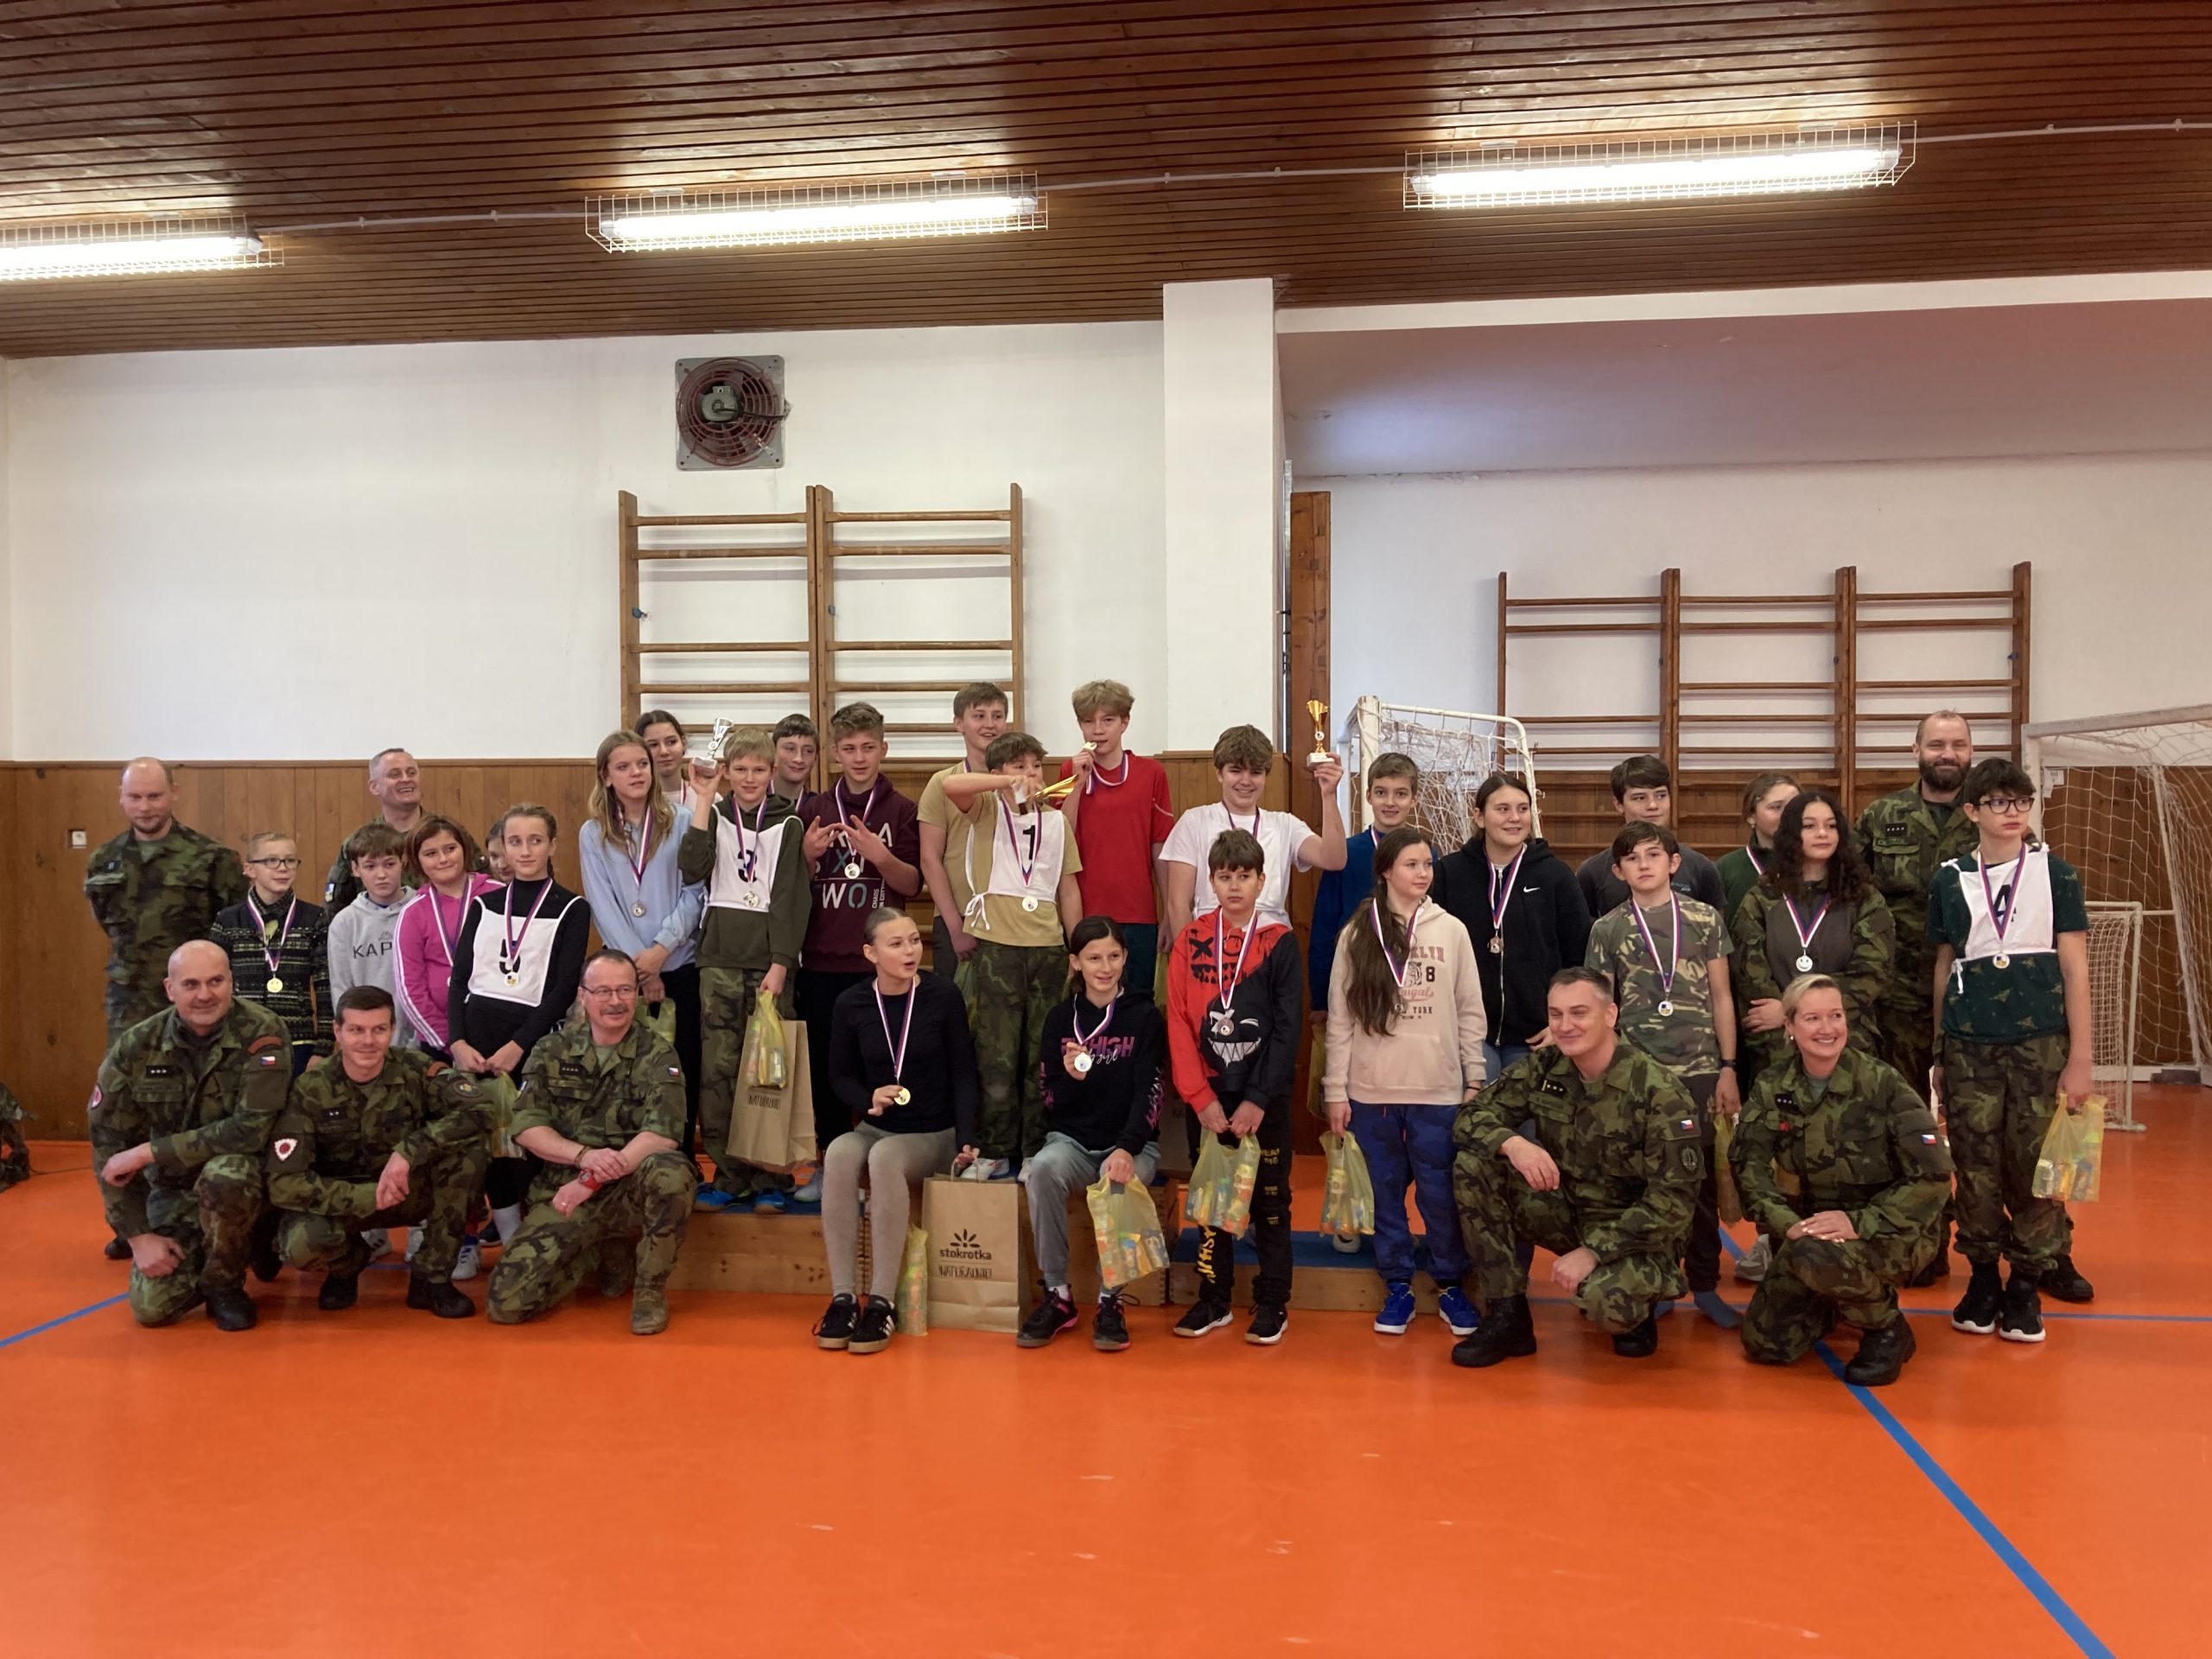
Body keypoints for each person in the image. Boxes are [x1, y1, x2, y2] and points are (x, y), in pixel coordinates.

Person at [1448, 968, 1703, 1369]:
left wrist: (1594, 1252)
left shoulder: (1659, 1092)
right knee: (1474, 1164)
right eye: (1556, 1014)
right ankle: (1508, 1316)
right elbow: (1469, 1118)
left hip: (1635, 1232)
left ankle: (1639, 1310)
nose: (1565, 1026)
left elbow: (1673, 1205)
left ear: (1610, 1014)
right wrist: (1514, 1144)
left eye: (1579, 1013)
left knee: (1607, 1304)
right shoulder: (1546, 1067)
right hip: (1568, 1209)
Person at [1930, 759, 2097, 1344]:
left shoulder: (2057, 875)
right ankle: (1982, 1279)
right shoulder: (1950, 879)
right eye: (1998, 802)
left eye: (2021, 802)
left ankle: (2026, 1283)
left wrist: (2081, 1058)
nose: (2012, 812)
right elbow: (1945, 966)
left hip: (2041, 1046)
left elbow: (2075, 969)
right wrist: (1940, 1050)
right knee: (1974, 1168)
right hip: (1970, 1047)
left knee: (2041, 1168)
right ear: (1972, 811)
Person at [1732, 976, 1951, 1387]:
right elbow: (1748, 1165)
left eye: (1835, 1016)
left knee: (1816, 1255)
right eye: (1812, 1018)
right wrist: (1786, 1224)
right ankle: (1836, 1299)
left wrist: (1860, 1222)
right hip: (1810, 1234)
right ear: (1790, 1026)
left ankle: (1887, 1328)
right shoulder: (1773, 1086)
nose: (1827, 1028)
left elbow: (1934, 1175)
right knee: (1766, 1343)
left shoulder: (1882, 1083)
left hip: (1888, 1232)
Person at [1321, 827, 1486, 1338]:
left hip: (1438, 1089)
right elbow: (1340, 1019)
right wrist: (1334, 1089)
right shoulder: (1357, 933)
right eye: (1412, 864)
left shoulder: (1451, 930)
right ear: (1387, 871)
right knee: (1386, 1195)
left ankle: (1451, 1284)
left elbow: (1469, 1009)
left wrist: (1475, 1076)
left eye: (1428, 864)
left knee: (1440, 1195)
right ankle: (1397, 1285)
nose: (1423, 873)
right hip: (1372, 1092)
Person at [486, 950, 698, 1336]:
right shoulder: (551, 1050)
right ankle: (598, 1253)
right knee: (507, 1303)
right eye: (603, 991)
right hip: (565, 1193)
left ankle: (649, 1292)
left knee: (672, 1173)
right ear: (583, 996)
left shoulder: (658, 1053)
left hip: (627, 1191)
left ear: (637, 994)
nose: (615, 1001)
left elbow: (662, 1134)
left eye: (624, 990)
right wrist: (582, 1156)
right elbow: (526, 1126)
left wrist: (592, 1178)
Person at [85, 760, 247, 1258]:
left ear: (173, 794)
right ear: (121, 797)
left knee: (199, 1102)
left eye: (154, 796)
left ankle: (200, 1212)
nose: (145, 807)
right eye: (135, 797)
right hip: (131, 1001)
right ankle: (130, 1223)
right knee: (124, 1109)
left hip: (198, 1002)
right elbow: (107, 922)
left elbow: (230, 927)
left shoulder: (210, 857)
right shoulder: (105, 860)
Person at [1585, 821, 1742, 1328]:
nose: (1644, 865)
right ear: (1618, 870)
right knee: (1644, 1181)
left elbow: (1722, 996)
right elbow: (1602, 1008)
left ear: (1674, 863)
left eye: (1654, 855)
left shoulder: (1704, 919)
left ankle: (1705, 1283)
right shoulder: (1607, 928)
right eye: (1632, 858)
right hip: (1638, 1076)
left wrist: (1728, 1068)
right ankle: (1656, 1280)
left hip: (1698, 1070)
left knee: (1700, 1183)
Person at [90, 941, 289, 1331]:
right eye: (191, 984)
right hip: (176, 1189)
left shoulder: (263, 1031)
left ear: (231, 982)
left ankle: (226, 1284)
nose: (204, 995)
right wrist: (138, 1237)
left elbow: (251, 1130)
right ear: (170, 989)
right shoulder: (138, 1046)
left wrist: (149, 1152)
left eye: (216, 982)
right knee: (152, 1308)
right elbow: (107, 1144)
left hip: (247, 1181)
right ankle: (241, 1244)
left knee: (227, 1175)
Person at [265, 986, 493, 1319]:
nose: (368, 1041)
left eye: (379, 1030)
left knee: (468, 1153)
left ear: (392, 1029)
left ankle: (432, 1277)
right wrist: (367, 1196)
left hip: (408, 1190)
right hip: (346, 1201)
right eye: (357, 1030)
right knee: (301, 1244)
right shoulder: (310, 1089)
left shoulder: (416, 1069)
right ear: (338, 1032)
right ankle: (347, 1264)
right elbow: (284, 1183)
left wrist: (409, 1152)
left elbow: (481, 1108)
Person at [813, 909, 980, 1357]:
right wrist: (867, 1096)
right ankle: (843, 1299)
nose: (910, 951)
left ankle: (882, 1303)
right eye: (896, 944)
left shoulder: (942, 995)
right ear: (871, 953)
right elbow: (838, 1076)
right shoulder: (851, 1003)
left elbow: (965, 1072)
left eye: (914, 941)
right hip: (877, 1126)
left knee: (885, 1158)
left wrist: (966, 1137)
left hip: (933, 1133)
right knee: (840, 1153)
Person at [1855, 710, 1980, 1287]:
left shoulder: (1991, 817)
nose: (1947, 753)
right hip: (1899, 997)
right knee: (1907, 1125)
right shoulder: (1882, 817)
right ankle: (1923, 1241)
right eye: (1936, 744)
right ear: (1916, 751)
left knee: (1982, 1127)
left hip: (1978, 996)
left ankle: (2024, 1248)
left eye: (1958, 744)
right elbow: (1850, 896)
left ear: (1972, 751)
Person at [1164, 830, 1302, 1345]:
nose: (1236, 886)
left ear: (1262, 881)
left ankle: (1273, 1300)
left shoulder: (1279, 941)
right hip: (1210, 1097)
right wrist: (1199, 1097)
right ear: (1212, 881)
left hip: (1265, 1098)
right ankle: (1214, 1298)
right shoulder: (1190, 939)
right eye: (1225, 877)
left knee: (1271, 1202)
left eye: (1245, 876)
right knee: (1211, 1204)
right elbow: (1178, 1020)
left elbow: (1288, 1028)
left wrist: (1258, 1099)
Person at [1016, 916, 1167, 1352]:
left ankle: (1110, 1300)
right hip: (1073, 1143)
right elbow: (1050, 1100)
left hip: (1133, 1144)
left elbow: (1152, 1092)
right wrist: (1070, 1080)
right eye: (1094, 958)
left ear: (1125, 958)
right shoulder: (1059, 1019)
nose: (1105, 967)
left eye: (1114, 956)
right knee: (1042, 1170)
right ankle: (1058, 1295)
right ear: (1076, 963)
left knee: (1116, 1180)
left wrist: (1127, 1148)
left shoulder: (1144, 1017)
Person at [940, 730, 1085, 1179]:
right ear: (997, 772)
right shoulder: (985, 809)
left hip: (1047, 949)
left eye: (1035, 766)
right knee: (997, 1056)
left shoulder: (1056, 822)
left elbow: (1068, 888)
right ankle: (996, 1148)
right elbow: (950, 786)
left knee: (1040, 1056)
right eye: (1019, 766)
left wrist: (1076, 948)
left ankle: (1036, 1150)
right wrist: (1004, 784)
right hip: (998, 947)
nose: (1030, 774)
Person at [448, 804, 592, 1254]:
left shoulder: (572, 908)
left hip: (531, 1040)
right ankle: (507, 1231)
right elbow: (460, 977)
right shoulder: (484, 904)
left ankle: (538, 1233)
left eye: (535, 841)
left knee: (529, 1139)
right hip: (477, 1040)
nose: (525, 851)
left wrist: (519, 1044)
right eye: (515, 842)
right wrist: (457, 1041)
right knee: (486, 1141)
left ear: (552, 845)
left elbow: (564, 988)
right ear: (503, 848)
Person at [677, 727, 810, 1210]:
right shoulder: (713, 815)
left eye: (758, 769)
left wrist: (781, 964)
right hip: (718, 961)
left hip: (768, 965)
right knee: (719, 1072)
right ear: (727, 772)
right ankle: (731, 1175)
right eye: (740, 769)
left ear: (772, 772)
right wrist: (702, 800)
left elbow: (791, 899)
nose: (749, 778)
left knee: (768, 1071)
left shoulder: (788, 823)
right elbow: (692, 868)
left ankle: (771, 1175)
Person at [795, 702, 923, 1199]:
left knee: (881, 1067)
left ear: (883, 749)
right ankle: (831, 1165)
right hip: (821, 962)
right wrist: (808, 858)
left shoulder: (902, 809)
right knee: (828, 1071)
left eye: (869, 747)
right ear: (834, 753)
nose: (860, 757)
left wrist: (880, 856)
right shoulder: (814, 808)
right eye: (849, 748)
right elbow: (792, 886)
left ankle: (880, 1167)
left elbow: (911, 884)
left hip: (881, 969)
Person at [580, 730, 706, 1174]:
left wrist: (660, 950)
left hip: (680, 964)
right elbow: (602, 905)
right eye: (623, 766)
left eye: (642, 764)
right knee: (627, 1071)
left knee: (681, 1068)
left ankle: (680, 1164)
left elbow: (694, 893)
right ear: (606, 776)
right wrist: (640, 969)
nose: (636, 773)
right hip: (623, 976)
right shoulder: (593, 833)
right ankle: (626, 1165)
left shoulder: (682, 820)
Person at [1432, 772, 1591, 1084]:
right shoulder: (1449, 873)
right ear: (1479, 816)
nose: (1514, 818)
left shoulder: (1555, 875)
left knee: (1528, 1116)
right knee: (1478, 1112)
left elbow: (1579, 957)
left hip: (1537, 1035)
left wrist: (1562, 1022)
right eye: (1502, 809)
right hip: (1468, 1033)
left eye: (1522, 809)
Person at [1731, 791, 1895, 1084]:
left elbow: (1870, 974)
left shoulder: (1864, 899)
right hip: (1778, 1042)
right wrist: (1788, 1019)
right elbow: (1750, 974)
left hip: (1846, 1036)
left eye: (1831, 826)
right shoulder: (1762, 898)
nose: (1822, 833)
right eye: (1809, 826)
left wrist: (1794, 1010)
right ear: (1792, 834)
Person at [1159, 722, 1347, 938]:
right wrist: (1188, 955)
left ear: (1266, 776)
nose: (1246, 781)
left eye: (1256, 772)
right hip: (1211, 941)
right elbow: (1178, 903)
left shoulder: (1285, 825)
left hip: (1271, 942)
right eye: (1236, 771)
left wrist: (1328, 794)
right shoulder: (1194, 822)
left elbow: (1334, 860)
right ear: (1219, 773)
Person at [1058, 679, 1176, 997]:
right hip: (1085, 913)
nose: (1098, 730)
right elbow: (1060, 837)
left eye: (1108, 720)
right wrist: (1077, 784)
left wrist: (1168, 910)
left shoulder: (1151, 773)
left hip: (1138, 912)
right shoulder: (1069, 771)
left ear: (1125, 722)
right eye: (1088, 721)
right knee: (1088, 1002)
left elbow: (1160, 846)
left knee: (1137, 1002)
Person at [210, 831, 331, 1076]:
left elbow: (325, 985)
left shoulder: (315, 919)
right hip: (241, 1039)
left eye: (290, 860)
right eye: (272, 861)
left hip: (298, 1042)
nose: (283, 868)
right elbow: (215, 984)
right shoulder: (228, 920)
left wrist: (323, 1048)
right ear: (249, 869)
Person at [916, 682, 1007, 979]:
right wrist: (956, 927)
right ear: (959, 724)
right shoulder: (941, 783)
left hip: (1010, 917)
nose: (990, 724)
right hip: (957, 916)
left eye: (997, 716)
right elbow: (930, 859)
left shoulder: (1019, 782)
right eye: (979, 716)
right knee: (954, 1004)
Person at [1574, 754, 1727, 918]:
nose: (1653, 805)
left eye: (1661, 795)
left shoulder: (1701, 868)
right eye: (1640, 798)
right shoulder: (1592, 872)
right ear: (1619, 804)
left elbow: (1714, 928)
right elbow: (1586, 930)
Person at [394, 816, 496, 1058]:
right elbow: (410, 989)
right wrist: (451, 1043)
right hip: (441, 1042)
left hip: (500, 1033)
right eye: (430, 854)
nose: (443, 859)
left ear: (464, 849)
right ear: (417, 861)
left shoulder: (499, 895)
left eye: (450, 849)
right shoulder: (413, 913)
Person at [326, 823, 414, 1026]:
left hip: (422, 1034)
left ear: (403, 861)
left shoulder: (422, 909)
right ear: (355, 869)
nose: (381, 874)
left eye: (389, 864)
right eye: (370, 866)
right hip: (368, 1033)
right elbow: (342, 988)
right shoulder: (344, 923)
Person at [325, 747, 427, 912]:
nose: (406, 779)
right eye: (394, 775)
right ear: (374, 786)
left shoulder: (444, 835)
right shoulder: (359, 842)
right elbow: (336, 908)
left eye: (411, 773)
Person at [1717, 772, 1798, 924]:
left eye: (1795, 807)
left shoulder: (1815, 863)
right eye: (1776, 807)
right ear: (1751, 816)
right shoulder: (1728, 868)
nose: (1788, 815)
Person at [635, 709, 690, 812]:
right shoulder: (633, 800)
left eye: (671, 742)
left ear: (683, 743)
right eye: (653, 745)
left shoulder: (706, 796)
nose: (664, 752)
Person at [772, 713, 822, 805]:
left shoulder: (820, 807)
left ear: (815, 759)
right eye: (790, 749)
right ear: (773, 752)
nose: (799, 759)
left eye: (808, 751)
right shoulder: (753, 802)